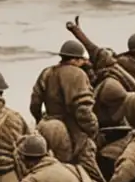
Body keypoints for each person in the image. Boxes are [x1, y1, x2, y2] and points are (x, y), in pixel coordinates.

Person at [30, 38, 101, 175]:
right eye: (81, 60)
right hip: (72, 129)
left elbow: (35, 103)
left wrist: (40, 120)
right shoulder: (78, 74)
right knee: (90, 173)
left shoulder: (47, 72)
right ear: (75, 59)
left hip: (47, 126)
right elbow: (82, 109)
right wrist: (92, 129)